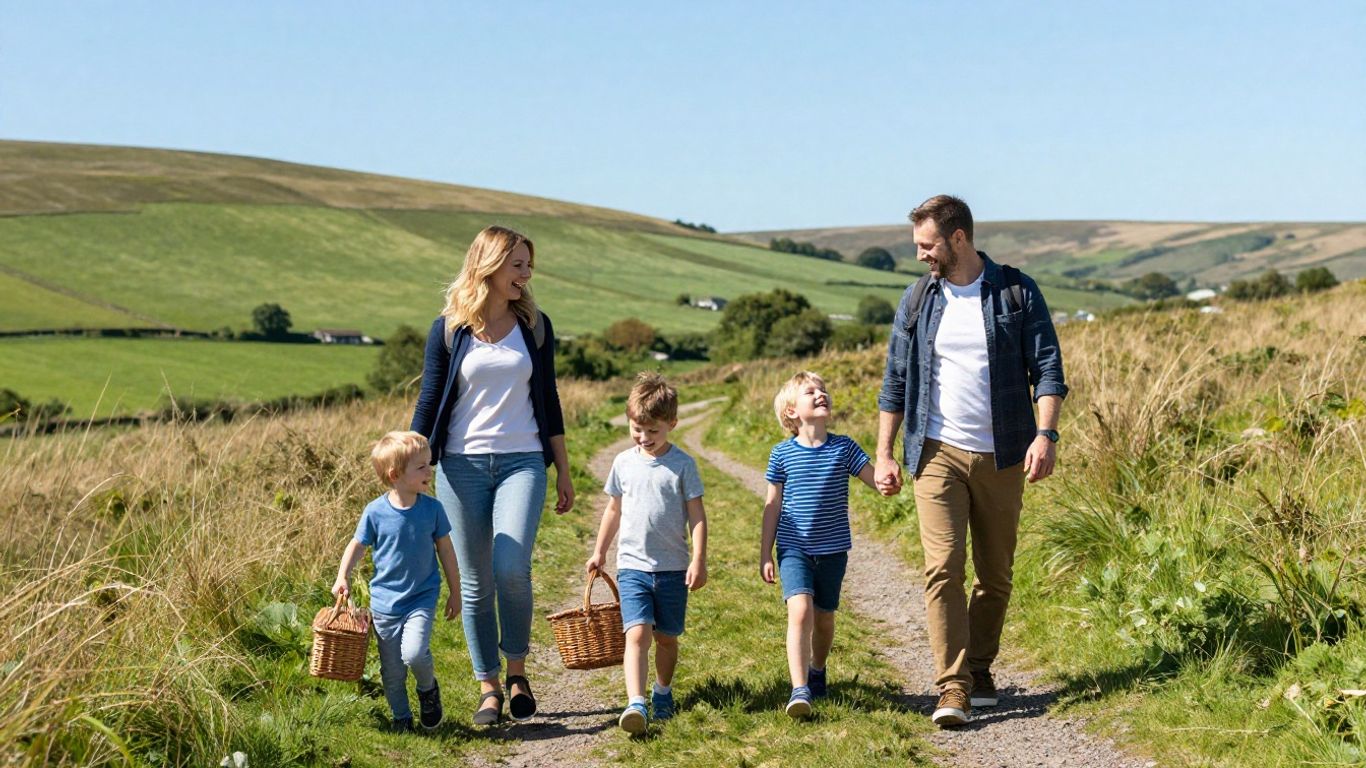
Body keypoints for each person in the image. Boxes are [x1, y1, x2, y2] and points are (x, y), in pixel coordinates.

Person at [874, 194, 1068, 727]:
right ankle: (952, 687)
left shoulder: (1015, 292)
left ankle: (981, 669)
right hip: (935, 453)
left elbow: (1047, 369)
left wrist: (1045, 434)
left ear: (958, 238)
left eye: (927, 245)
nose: (920, 256)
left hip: (1004, 453)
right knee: (943, 567)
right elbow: (894, 381)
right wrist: (886, 453)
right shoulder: (917, 301)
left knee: (996, 575)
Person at [410, 225, 575, 726]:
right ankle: (487, 687)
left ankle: (518, 672)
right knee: (476, 583)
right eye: (517, 265)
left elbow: (549, 401)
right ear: (489, 266)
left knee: (510, 567)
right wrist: (411, 461)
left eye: (528, 265)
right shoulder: (448, 330)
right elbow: (429, 401)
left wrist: (564, 471)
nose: (526, 274)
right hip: (460, 467)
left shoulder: (536, 327)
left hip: (523, 461)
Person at [586, 372, 708, 735]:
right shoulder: (623, 463)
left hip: (672, 568)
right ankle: (636, 701)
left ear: (671, 423)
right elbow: (613, 510)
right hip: (632, 567)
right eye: (637, 429)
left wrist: (699, 559)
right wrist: (599, 552)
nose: (644, 437)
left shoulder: (683, 465)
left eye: (653, 431)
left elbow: (697, 517)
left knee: (666, 637)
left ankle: (663, 691)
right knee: (636, 634)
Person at [759, 371, 878, 718]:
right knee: (800, 612)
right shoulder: (781, 455)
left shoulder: (844, 448)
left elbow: (875, 480)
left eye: (823, 390)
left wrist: (889, 478)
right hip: (794, 548)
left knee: (824, 618)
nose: (820, 394)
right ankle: (799, 690)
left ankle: (818, 669)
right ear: (792, 412)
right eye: (810, 392)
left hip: (833, 550)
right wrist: (765, 551)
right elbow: (772, 507)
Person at [333, 431, 460, 733]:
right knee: (392, 672)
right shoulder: (375, 512)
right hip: (385, 603)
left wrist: (456, 592)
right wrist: (342, 575)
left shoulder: (433, 510)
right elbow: (357, 545)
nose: (430, 471)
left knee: (414, 652)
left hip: (422, 597)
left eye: (429, 464)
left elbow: (446, 550)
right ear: (395, 474)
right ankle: (401, 717)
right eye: (422, 467)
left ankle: (428, 690)